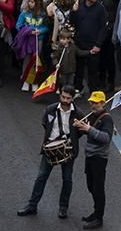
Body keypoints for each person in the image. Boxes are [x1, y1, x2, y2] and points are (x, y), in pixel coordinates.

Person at [18, 84, 80, 218]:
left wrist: (71, 139)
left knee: (67, 179)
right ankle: (32, 205)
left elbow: (81, 130)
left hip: (68, 149)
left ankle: (63, 207)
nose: (64, 100)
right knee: (41, 177)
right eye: (63, 97)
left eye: (68, 98)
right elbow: (45, 124)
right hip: (50, 147)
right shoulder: (50, 109)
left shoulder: (78, 113)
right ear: (60, 95)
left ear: (72, 99)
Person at [73, 90, 115, 228]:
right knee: (90, 185)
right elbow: (89, 133)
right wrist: (80, 127)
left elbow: (106, 138)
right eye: (92, 102)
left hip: (99, 157)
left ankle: (99, 217)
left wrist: (89, 128)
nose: (93, 105)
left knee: (98, 188)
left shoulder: (107, 118)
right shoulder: (92, 116)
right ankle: (96, 212)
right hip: (89, 155)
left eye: (96, 103)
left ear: (103, 103)